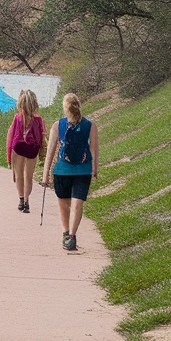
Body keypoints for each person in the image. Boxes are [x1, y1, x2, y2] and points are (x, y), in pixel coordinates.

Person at [43, 93, 100, 251]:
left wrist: (45, 173)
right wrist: (94, 169)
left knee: (64, 203)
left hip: (61, 170)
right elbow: (94, 150)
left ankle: (67, 232)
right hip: (83, 169)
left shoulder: (57, 125)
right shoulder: (90, 126)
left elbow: (51, 151)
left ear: (65, 107)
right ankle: (71, 236)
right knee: (77, 204)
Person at [5, 89, 44, 213]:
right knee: (29, 176)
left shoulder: (17, 118)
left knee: (19, 175)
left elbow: (10, 136)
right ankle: (27, 200)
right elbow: (42, 136)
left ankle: (21, 200)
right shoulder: (38, 119)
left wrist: (9, 156)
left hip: (18, 147)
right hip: (33, 149)